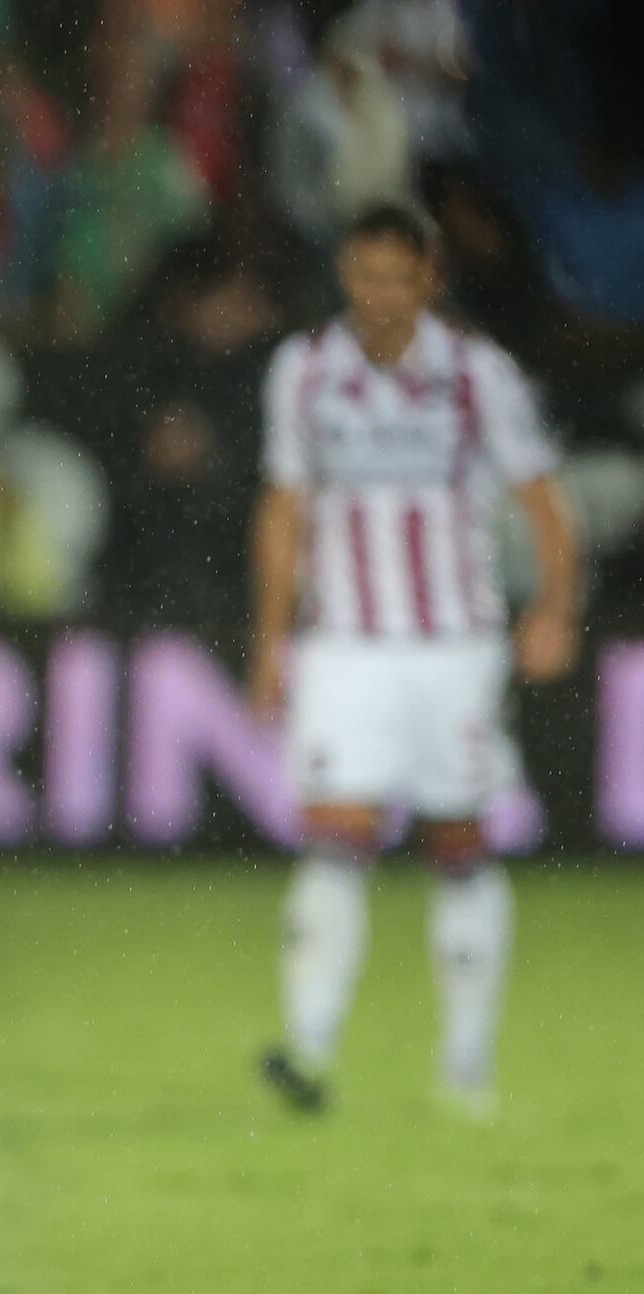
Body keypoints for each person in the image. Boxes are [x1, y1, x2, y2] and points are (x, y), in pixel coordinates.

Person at [250, 203, 582, 1121]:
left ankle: (466, 1065)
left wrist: (556, 606)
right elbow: (284, 510)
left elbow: (547, 503)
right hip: (345, 645)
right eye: (363, 277)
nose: (379, 298)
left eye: (397, 278)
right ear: (345, 276)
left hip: (454, 648)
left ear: (429, 277)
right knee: (336, 835)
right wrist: (269, 643)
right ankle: (308, 1051)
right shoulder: (306, 370)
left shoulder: (478, 375)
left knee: (460, 845)